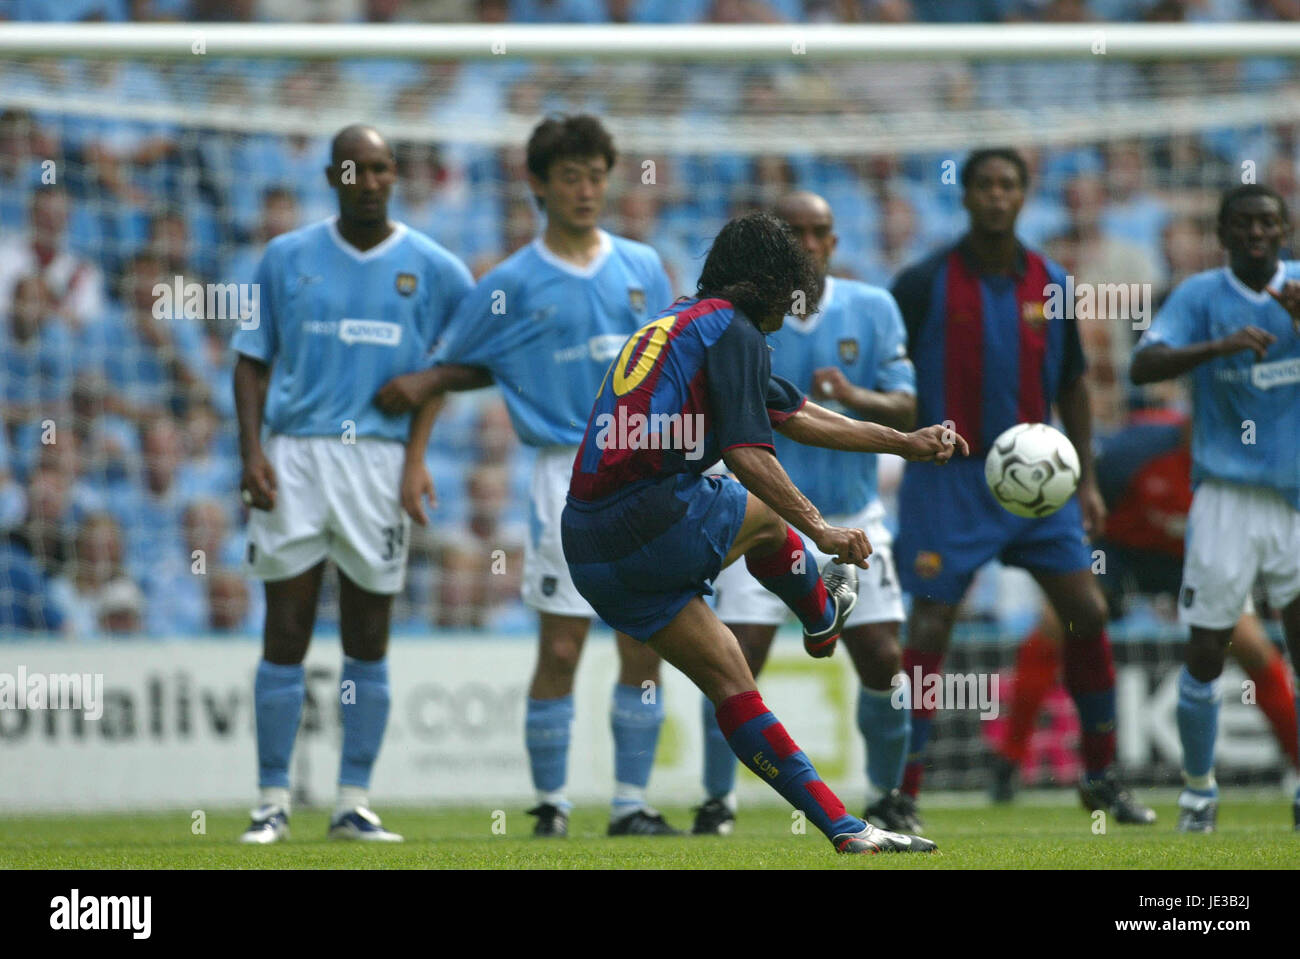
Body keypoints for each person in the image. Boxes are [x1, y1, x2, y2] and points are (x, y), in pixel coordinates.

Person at [562, 210, 967, 854]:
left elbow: (798, 415)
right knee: (766, 516)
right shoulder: (734, 330)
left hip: (589, 547)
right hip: (647, 514)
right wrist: (824, 531)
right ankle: (821, 614)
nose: (797, 303)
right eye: (791, 288)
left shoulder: (687, 323)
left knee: (732, 681)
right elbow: (750, 454)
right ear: (768, 284)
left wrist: (905, 444)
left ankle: (847, 828)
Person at [375, 115, 680, 838]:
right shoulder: (510, 282)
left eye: (596, 175)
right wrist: (416, 456)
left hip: (645, 469)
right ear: (538, 185)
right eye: (569, 176)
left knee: (644, 640)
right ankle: (551, 806)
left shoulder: (643, 267)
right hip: (564, 478)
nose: (585, 189)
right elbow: (448, 368)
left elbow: (673, 369)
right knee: (564, 644)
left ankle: (632, 803)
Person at [891, 148, 1156, 828]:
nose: (997, 196)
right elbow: (897, 386)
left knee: (1085, 613)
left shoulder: (1053, 282)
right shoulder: (922, 283)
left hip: (1039, 480)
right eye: (984, 185)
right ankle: (905, 788)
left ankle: (1101, 776)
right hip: (949, 480)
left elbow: (1072, 382)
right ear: (967, 195)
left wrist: (1089, 480)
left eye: (1009, 185)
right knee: (929, 623)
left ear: (1023, 195)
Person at [231, 124, 473, 843]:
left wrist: (417, 452)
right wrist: (250, 451)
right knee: (286, 629)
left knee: (369, 636)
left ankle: (352, 801)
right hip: (296, 454)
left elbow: (466, 361)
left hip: (378, 462)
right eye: (356, 169)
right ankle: (271, 800)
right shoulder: (283, 257)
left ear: (395, 175)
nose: (371, 180)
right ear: (333, 177)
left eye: (382, 168)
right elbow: (250, 361)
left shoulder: (434, 266)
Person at [695, 191, 921, 836]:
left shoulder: (872, 307)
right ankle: (718, 802)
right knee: (738, 655)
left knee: (881, 657)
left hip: (852, 514)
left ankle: (887, 795)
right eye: (795, 233)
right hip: (762, 515)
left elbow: (905, 404)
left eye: (820, 231)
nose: (810, 243)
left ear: (834, 241)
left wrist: (856, 397)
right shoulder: (747, 321)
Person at [989, 409, 1298, 800]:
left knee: (1251, 644)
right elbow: (1084, 498)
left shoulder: (1243, 472)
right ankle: (1008, 762)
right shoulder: (1132, 453)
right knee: (1056, 623)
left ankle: (1298, 761)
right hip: (1119, 555)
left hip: (1193, 560)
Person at [1130, 183, 1300, 833]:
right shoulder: (1200, 296)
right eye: (1242, 224)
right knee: (1205, 650)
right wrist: (1218, 348)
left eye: (1268, 222)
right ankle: (1199, 790)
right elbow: (1144, 365)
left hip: (1294, 498)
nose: (1256, 233)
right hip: (1225, 500)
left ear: (1283, 230)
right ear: (1224, 235)